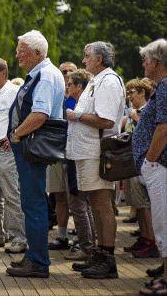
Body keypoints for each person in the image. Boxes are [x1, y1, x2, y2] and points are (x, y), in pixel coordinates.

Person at [6, 30, 65, 278]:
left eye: (22, 50)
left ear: (37, 53)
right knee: (31, 202)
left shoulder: (47, 76)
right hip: (28, 145)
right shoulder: (41, 74)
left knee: (34, 204)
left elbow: (39, 114)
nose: (18, 55)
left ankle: (39, 261)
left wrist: (17, 133)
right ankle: (34, 255)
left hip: (31, 145)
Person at [66, 41, 126, 279]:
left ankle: (107, 259)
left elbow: (107, 120)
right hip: (86, 152)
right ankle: (99, 255)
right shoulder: (96, 80)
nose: (84, 60)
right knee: (95, 205)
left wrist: (76, 115)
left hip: (96, 152)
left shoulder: (109, 81)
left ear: (100, 59)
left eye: (87, 56)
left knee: (102, 206)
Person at [132, 38, 167, 296]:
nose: (143, 64)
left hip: (159, 166)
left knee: (163, 222)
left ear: (156, 62)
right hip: (158, 166)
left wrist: (150, 160)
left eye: (145, 59)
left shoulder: (165, 85)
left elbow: (163, 127)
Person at [0, 58, 28, 253]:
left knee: (11, 195)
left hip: (5, 149)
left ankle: (19, 237)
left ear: (3, 73)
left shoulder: (15, 92)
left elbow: (25, 116)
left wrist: (15, 135)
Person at [62, 69, 97, 262]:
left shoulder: (80, 104)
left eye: (70, 84)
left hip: (78, 156)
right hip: (73, 155)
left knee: (77, 202)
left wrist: (74, 115)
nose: (67, 87)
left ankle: (87, 247)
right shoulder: (74, 101)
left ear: (80, 86)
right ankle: (89, 244)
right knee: (81, 203)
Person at [122, 79, 158, 258]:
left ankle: (152, 241)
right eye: (127, 93)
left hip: (144, 163)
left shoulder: (147, 111)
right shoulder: (133, 112)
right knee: (137, 203)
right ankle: (144, 238)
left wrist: (136, 118)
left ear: (143, 93)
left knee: (145, 205)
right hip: (132, 162)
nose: (129, 97)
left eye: (132, 92)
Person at [46, 62, 77, 251]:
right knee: (58, 195)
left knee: (78, 197)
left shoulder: (79, 97)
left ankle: (84, 237)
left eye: (70, 71)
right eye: (63, 71)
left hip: (74, 151)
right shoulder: (55, 95)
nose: (66, 74)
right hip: (55, 151)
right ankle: (62, 236)